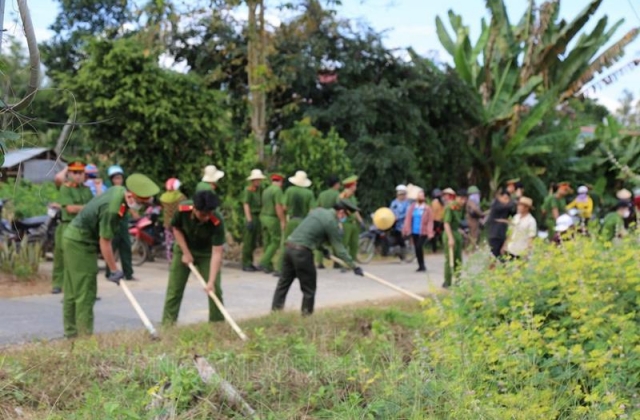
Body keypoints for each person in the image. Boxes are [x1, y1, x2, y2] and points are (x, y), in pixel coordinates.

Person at [62, 173, 159, 338]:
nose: (140, 206)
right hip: (80, 242)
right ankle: (84, 338)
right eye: (140, 202)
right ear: (131, 195)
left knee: (73, 289)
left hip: (73, 237)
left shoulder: (118, 190)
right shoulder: (113, 209)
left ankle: (71, 334)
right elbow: (105, 241)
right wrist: (114, 270)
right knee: (85, 290)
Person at [271, 200, 364, 316]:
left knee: (283, 284)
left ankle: (275, 312)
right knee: (309, 289)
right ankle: (306, 316)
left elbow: (310, 233)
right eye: (346, 215)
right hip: (302, 253)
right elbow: (340, 249)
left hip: (289, 249)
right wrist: (354, 266)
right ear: (341, 212)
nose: (344, 219)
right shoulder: (331, 221)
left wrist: (323, 250)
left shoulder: (318, 211)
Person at [162, 190, 226, 325]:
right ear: (194, 209)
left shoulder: (217, 221)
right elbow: (176, 229)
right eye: (203, 214)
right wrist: (186, 252)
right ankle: (167, 324)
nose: (207, 218)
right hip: (183, 248)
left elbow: (217, 252)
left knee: (215, 290)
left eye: (210, 214)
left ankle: (217, 324)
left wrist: (211, 281)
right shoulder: (183, 209)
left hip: (207, 253)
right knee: (174, 289)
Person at [51, 161, 94, 294]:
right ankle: (57, 284)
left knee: (81, 259)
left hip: (82, 227)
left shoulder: (86, 190)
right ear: (69, 173)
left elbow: (93, 207)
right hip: (66, 225)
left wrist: (82, 209)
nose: (78, 175)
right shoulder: (65, 188)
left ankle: (79, 287)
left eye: (81, 172)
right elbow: (70, 209)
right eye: (74, 172)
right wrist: (66, 169)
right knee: (61, 257)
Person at [276, 171, 316, 276]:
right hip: (303, 222)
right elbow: (312, 211)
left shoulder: (289, 191)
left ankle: (281, 268)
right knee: (302, 246)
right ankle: (301, 270)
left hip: (292, 220)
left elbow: (284, 207)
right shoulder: (309, 193)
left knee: (286, 244)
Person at [105, 165, 137, 281]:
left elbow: (130, 204)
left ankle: (128, 273)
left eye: (120, 178)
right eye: (116, 178)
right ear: (111, 180)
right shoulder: (108, 191)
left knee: (126, 247)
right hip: (112, 222)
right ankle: (110, 273)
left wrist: (134, 213)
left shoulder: (125, 190)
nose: (118, 180)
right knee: (111, 247)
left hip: (123, 222)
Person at [257, 173, 286, 273]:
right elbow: (278, 207)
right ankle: (264, 262)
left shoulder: (266, 190)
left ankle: (268, 266)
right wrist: (282, 220)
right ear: (280, 181)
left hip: (263, 216)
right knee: (276, 241)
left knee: (267, 241)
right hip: (272, 218)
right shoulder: (277, 191)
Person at [402, 189, 434, 272]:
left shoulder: (427, 208)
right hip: (414, 231)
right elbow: (408, 219)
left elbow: (430, 221)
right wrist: (406, 229)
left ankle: (422, 264)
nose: (421, 197)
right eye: (420, 195)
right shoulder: (412, 207)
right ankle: (420, 265)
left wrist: (430, 232)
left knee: (419, 246)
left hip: (423, 232)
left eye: (423, 196)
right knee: (416, 248)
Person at [314, 175, 341, 268]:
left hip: (322, 219)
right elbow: (339, 207)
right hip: (332, 219)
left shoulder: (322, 194)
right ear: (336, 184)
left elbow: (318, 206)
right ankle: (336, 262)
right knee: (335, 241)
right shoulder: (337, 194)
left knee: (320, 241)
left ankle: (319, 262)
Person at [241, 169, 266, 272]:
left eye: (259, 180)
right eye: (256, 180)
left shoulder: (260, 189)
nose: (258, 182)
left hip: (258, 215)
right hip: (251, 215)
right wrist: (249, 219)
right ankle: (246, 262)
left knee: (254, 242)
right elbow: (245, 204)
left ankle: (250, 262)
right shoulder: (248, 190)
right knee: (248, 241)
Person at [338, 175, 365, 265]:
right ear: (351, 186)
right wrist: (340, 225)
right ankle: (343, 263)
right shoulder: (342, 197)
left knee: (354, 244)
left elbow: (355, 211)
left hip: (354, 224)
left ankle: (351, 263)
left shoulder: (352, 197)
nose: (356, 187)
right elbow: (339, 212)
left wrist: (360, 221)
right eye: (355, 185)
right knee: (344, 244)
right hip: (346, 223)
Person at [443, 189, 466, 288]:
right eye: (461, 198)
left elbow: (459, 222)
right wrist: (450, 238)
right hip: (449, 233)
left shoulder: (461, 208)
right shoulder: (450, 207)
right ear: (456, 197)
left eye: (464, 199)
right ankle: (447, 282)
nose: (463, 201)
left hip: (457, 233)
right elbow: (446, 223)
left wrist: (461, 231)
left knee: (458, 259)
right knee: (450, 259)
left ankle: (458, 281)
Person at [160, 177, 187, 262]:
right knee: (180, 242)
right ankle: (179, 260)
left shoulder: (163, 198)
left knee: (169, 243)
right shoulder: (181, 197)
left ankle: (170, 260)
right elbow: (185, 207)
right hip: (179, 223)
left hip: (168, 224)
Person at [486, 188, 513, 258]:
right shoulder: (496, 204)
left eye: (507, 199)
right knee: (494, 255)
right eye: (505, 198)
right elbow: (505, 206)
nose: (506, 201)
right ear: (500, 197)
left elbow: (512, 209)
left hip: (502, 235)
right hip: (495, 235)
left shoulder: (506, 207)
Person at [390, 185, 410, 259]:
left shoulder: (407, 203)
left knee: (401, 240)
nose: (401, 196)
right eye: (400, 194)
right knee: (394, 239)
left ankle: (403, 255)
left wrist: (398, 217)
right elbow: (391, 211)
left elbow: (407, 213)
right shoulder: (393, 202)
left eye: (403, 194)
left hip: (402, 224)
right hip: (393, 224)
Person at [430, 188, 444, 253]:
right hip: (441, 221)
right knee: (439, 234)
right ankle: (442, 246)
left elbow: (432, 212)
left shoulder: (434, 202)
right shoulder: (442, 202)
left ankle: (434, 249)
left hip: (435, 221)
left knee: (434, 235)